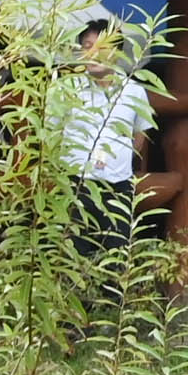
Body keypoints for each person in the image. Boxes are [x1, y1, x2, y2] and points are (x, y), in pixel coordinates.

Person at [52, 19, 151, 248]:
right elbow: (52, 134)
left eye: (102, 46)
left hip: (118, 187)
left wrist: (118, 158)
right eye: (87, 46)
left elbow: (140, 135)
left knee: (115, 260)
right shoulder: (66, 89)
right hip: (74, 186)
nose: (93, 53)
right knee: (71, 258)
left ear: (117, 52)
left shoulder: (134, 91)